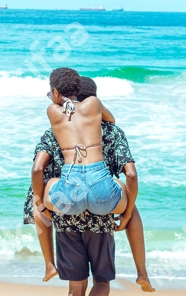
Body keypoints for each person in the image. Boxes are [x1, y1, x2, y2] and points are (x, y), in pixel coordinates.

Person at [23, 75, 154, 293]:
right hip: (102, 207)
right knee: (130, 200)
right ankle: (141, 271)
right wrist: (127, 213)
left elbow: (37, 170)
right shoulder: (113, 133)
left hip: (65, 209)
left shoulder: (53, 132)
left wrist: (44, 207)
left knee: (38, 194)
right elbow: (130, 174)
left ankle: (49, 264)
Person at [43, 67, 128, 219]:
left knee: (47, 186)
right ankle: (127, 219)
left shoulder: (52, 111)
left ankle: (43, 216)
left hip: (69, 197)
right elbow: (111, 120)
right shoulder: (93, 103)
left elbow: (37, 169)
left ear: (55, 92)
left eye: (50, 94)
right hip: (102, 192)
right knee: (123, 189)